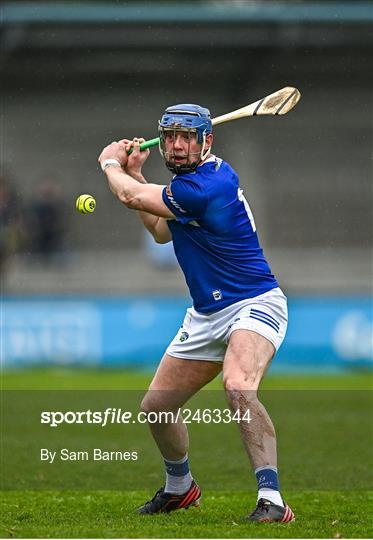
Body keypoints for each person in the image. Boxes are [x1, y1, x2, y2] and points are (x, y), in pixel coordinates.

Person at [98, 104, 294, 523]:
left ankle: (272, 500)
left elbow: (132, 198)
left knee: (239, 386)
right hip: (206, 314)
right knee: (156, 408)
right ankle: (180, 488)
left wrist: (112, 164)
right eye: (170, 136)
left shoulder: (209, 184)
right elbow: (158, 230)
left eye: (188, 136)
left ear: (207, 141)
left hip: (253, 301)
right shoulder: (185, 186)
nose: (178, 145)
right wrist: (134, 174)